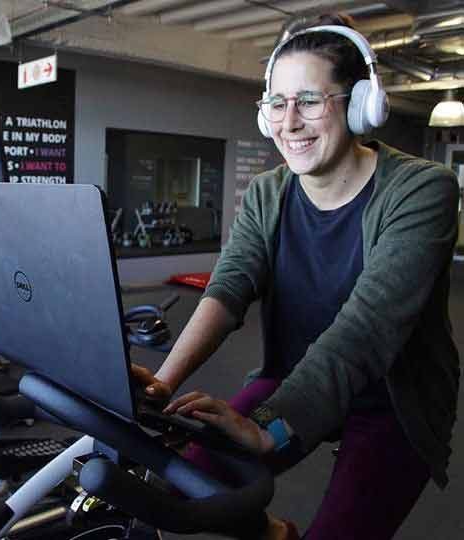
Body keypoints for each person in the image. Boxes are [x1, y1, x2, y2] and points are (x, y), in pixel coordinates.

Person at [133, 12, 460, 540]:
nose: (289, 122)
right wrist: (162, 382)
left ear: (358, 107)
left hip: (391, 400)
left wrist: (269, 429)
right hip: (292, 376)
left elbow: (366, 329)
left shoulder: (422, 191)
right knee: (183, 486)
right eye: (277, 104)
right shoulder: (268, 192)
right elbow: (230, 285)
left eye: (309, 101)